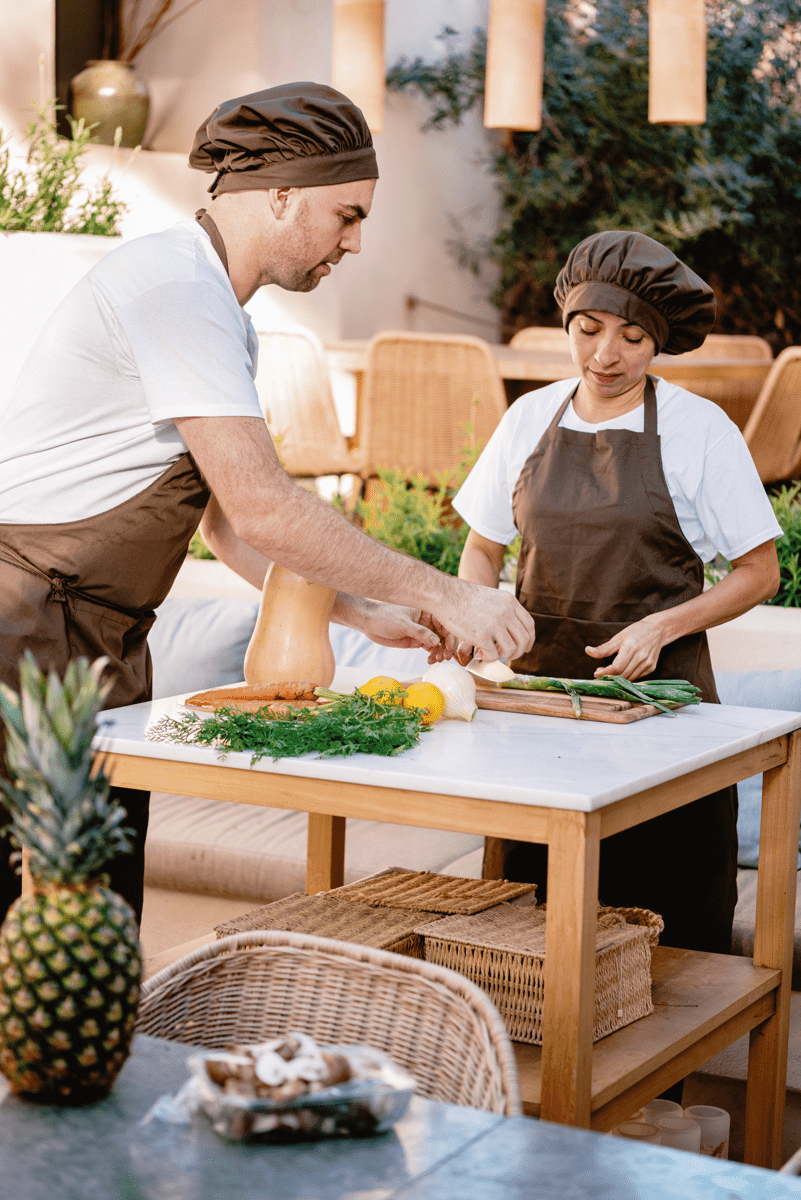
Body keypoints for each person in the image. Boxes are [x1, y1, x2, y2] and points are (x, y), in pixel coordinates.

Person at [0, 82, 534, 924]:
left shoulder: (219, 309)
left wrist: (359, 614)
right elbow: (265, 509)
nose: (355, 242)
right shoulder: (174, 287)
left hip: (93, 643)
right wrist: (449, 593)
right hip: (23, 629)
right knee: (40, 920)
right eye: (347, 215)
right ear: (281, 195)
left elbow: (222, 526)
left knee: (94, 923)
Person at [453, 229, 782, 955]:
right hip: (538, 723)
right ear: (567, 321)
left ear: (657, 341)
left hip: (664, 721)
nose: (605, 355)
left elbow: (761, 572)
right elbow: (481, 548)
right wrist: (476, 620)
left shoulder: (700, 430)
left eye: (632, 338)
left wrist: (661, 627)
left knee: (670, 942)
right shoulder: (528, 417)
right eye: (588, 329)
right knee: (528, 941)